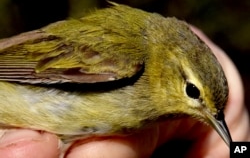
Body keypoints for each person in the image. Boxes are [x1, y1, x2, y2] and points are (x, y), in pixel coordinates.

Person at [0, 27, 249, 158]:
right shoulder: (126, 58)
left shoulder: (165, 112)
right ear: (170, 66)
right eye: (192, 91)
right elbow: (33, 61)